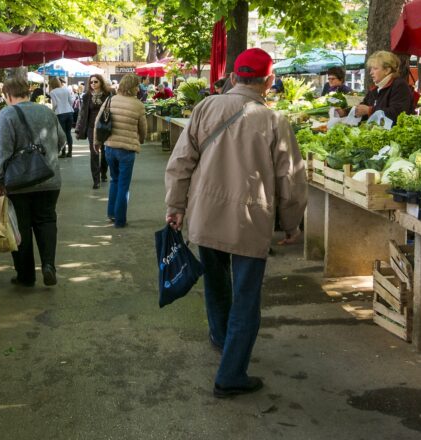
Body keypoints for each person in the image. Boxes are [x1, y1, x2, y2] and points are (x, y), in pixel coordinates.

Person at [164, 48, 307, 398]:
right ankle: (231, 373)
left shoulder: (205, 107)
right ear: (269, 82)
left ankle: (220, 336)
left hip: (205, 214)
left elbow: (181, 161)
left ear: (232, 77)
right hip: (249, 220)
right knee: (246, 297)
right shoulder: (275, 121)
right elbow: (291, 179)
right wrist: (291, 224)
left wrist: (175, 206)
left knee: (216, 283)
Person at [0, 74, 65, 287]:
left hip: (19, 182)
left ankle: (26, 275)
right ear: (28, 91)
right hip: (50, 178)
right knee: (47, 220)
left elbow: (1, 151)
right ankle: (49, 265)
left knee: (20, 227)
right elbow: (60, 140)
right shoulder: (46, 111)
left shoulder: (7, 114)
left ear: (7, 94)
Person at [95, 73, 145, 227]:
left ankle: (111, 214)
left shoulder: (111, 100)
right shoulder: (138, 105)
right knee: (123, 185)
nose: (139, 88)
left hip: (110, 148)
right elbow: (143, 128)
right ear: (133, 87)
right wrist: (140, 140)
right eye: (137, 85)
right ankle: (120, 220)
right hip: (127, 150)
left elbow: (98, 121)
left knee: (114, 181)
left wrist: (96, 142)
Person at [347, 51, 414, 124]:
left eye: (375, 68)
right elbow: (363, 106)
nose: (371, 72)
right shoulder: (376, 89)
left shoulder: (399, 85)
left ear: (387, 70)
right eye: (371, 69)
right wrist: (344, 112)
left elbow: (398, 113)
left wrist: (370, 110)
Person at [76, 73, 112, 189]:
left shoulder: (108, 94)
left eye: (95, 81)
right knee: (94, 152)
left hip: (105, 127)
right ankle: (96, 180)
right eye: (91, 82)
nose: (93, 84)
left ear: (101, 82)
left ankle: (103, 172)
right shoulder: (87, 96)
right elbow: (82, 113)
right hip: (92, 128)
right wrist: (79, 129)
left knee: (105, 152)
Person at [48, 77, 75, 158]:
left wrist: (52, 111)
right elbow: (71, 101)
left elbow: (55, 104)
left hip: (60, 113)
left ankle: (63, 152)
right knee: (68, 133)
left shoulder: (52, 92)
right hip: (69, 112)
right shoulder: (66, 90)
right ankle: (70, 152)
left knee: (61, 134)